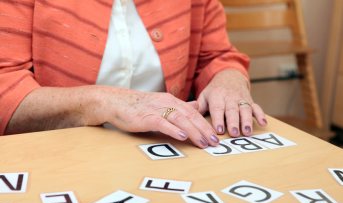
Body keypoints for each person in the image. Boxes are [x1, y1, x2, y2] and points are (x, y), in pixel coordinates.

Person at [0, 0, 267, 148]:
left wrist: (229, 79)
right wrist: (106, 102)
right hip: (58, 161)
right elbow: (5, 89)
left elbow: (217, 55)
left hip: (171, 153)